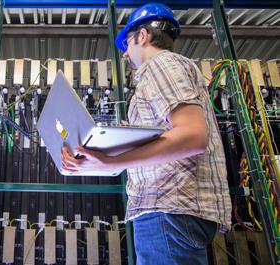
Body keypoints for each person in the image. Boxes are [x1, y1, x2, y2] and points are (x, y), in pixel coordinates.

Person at [61, 3, 231, 265]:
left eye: (126, 44)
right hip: (172, 210)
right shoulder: (167, 71)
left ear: (142, 36)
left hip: (168, 208)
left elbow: (193, 136)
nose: (126, 55)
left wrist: (112, 162)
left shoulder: (161, 65)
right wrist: (92, 154)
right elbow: (161, 140)